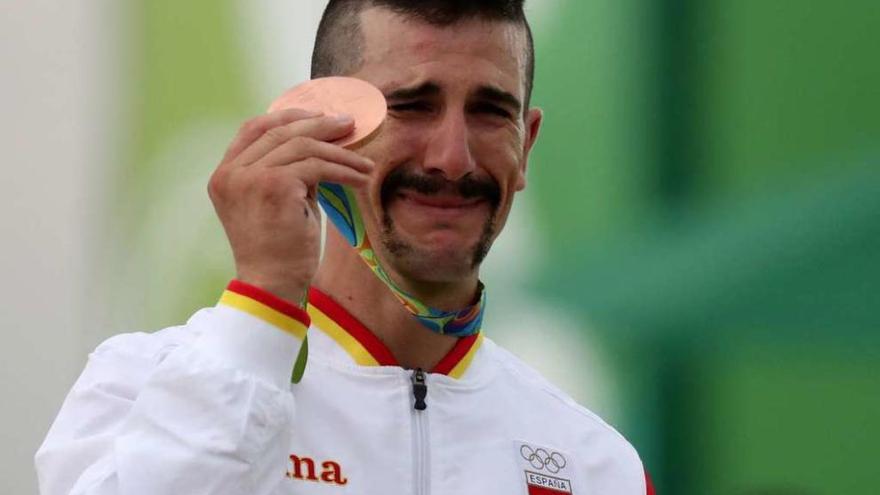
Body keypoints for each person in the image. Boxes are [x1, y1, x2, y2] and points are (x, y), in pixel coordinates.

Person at [36, 1, 655, 494]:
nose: (452, 158)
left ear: (528, 141)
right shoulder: (136, 386)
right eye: (414, 105)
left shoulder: (598, 466)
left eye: (491, 113)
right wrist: (262, 304)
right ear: (321, 123)